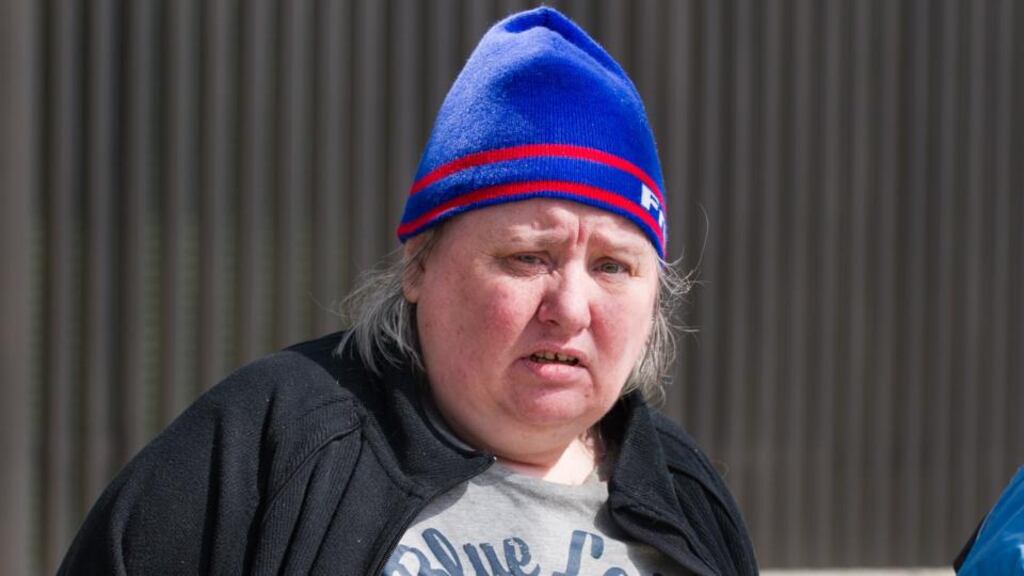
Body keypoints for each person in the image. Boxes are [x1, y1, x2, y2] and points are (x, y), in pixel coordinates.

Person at [59, 7, 757, 575]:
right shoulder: (271, 445)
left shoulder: (685, 495)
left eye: (613, 267)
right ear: (418, 266)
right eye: (526, 257)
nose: (570, 308)